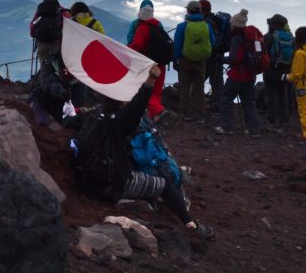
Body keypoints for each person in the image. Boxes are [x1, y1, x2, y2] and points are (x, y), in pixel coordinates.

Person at [73, 66, 213, 238]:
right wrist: (149, 82)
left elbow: (71, 121)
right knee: (164, 185)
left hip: (86, 181)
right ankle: (191, 225)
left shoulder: (94, 115)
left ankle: (151, 201)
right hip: (111, 185)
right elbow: (137, 109)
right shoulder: (121, 122)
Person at [214, 9, 262, 137]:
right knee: (248, 101)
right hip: (250, 74)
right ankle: (254, 130)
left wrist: (221, 59)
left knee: (226, 97)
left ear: (235, 24)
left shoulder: (237, 38)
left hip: (238, 75)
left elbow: (235, 59)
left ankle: (225, 127)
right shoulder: (250, 37)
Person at [172, 0, 215, 122]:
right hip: (201, 61)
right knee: (199, 88)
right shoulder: (207, 26)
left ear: (188, 11)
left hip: (185, 60)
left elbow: (177, 45)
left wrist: (176, 59)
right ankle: (200, 114)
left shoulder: (182, 26)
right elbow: (212, 42)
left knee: (184, 87)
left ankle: (185, 113)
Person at [129, 2, 169, 121]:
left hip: (148, 64)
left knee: (145, 87)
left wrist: (127, 51)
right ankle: (153, 115)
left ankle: (158, 110)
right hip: (161, 63)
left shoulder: (142, 28)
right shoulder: (158, 27)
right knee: (157, 90)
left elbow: (137, 46)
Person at [262, 14, 295, 131]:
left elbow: (263, 52)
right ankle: (283, 120)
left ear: (272, 24)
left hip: (271, 70)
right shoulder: (290, 36)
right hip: (285, 70)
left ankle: (271, 120)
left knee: (271, 95)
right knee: (282, 94)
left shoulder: (268, 37)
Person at [30, 0, 67, 69]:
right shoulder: (62, 11)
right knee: (59, 68)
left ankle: (45, 75)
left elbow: (33, 24)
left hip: (42, 43)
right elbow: (68, 27)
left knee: (45, 68)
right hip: (58, 44)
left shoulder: (40, 11)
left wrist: (33, 34)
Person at [199, 0, 227, 112]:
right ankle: (217, 103)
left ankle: (213, 104)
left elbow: (212, 40)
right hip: (218, 54)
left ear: (201, 10)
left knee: (202, 79)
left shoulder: (207, 22)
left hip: (210, 55)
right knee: (217, 80)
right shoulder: (215, 19)